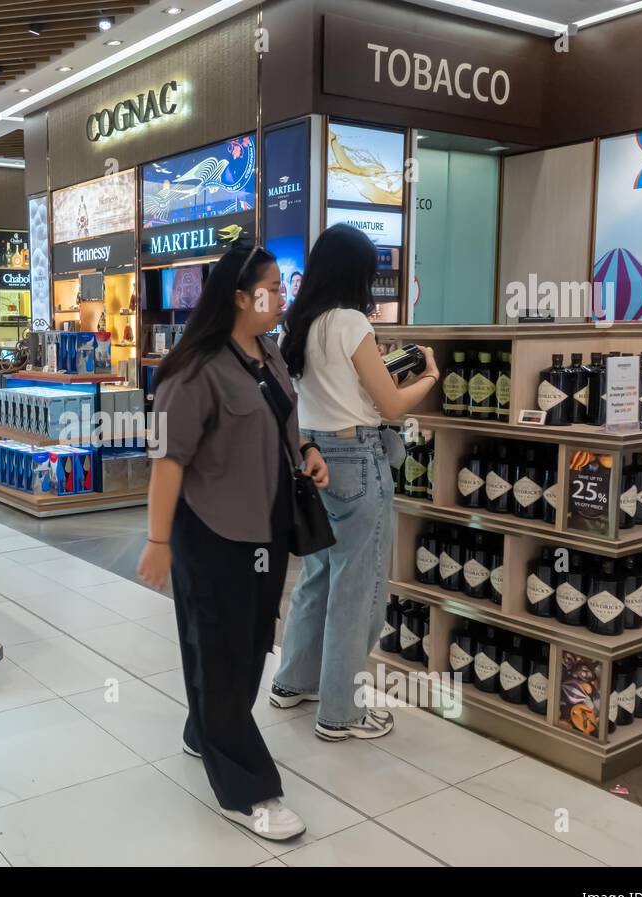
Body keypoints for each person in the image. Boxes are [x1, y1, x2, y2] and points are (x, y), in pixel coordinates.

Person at [138, 244, 328, 842]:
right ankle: (248, 789)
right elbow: (168, 463)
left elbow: (285, 420)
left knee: (250, 646)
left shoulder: (267, 352)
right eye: (273, 286)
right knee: (219, 654)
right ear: (240, 297)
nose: (283, 295)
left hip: (265, 528)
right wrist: (157, 540)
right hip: (209, 532)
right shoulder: (192, 372)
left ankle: (207, 730)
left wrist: (307, 452)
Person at [270, 224, 438, 740]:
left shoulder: (297, 323)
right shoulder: (350, 323)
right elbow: (389, 405)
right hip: (357, 458)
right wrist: (428, 376)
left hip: (313, 452)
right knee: (359, 587)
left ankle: (293, 681)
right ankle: (341, 712)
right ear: (358, 275)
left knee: (319, 574)